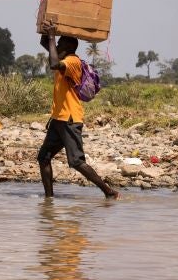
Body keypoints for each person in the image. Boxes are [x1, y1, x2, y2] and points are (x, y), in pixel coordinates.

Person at [37, 22, 120, 199]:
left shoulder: (72, 62)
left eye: (60, 44)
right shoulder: (63, 58)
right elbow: (46, 43)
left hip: (70, 119)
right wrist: (46, 31)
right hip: (58, 119)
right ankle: (48, 200)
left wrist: (52, 36)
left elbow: (53, 63)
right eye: (56, 44)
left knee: (76, 162)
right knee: (43, 158)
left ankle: (109, 192)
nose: (56, 45)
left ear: (68, 48)